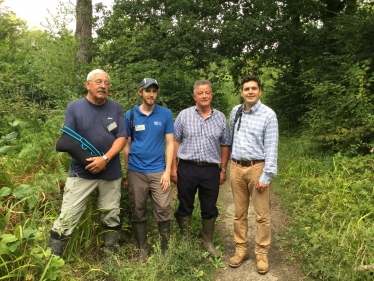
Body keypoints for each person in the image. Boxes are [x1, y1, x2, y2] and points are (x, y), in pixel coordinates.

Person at [47, 69, 127, 262]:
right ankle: (51, 261)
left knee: (111, 213)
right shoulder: (74, 107)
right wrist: (92, 163)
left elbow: (122, 137)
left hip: (111, 171)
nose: (103, 86)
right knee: (68, 215)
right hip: (81, 172)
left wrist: (105, 159)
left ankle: (110, 256)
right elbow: (68, 140)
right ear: (88, 84)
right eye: (99, 82)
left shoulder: (115, 108)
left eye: (107, 83)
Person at [171, 80, 231, 258]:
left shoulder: (220, 117)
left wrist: (223, 169)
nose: (204, 96)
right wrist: (173, 167)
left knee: (209, 205)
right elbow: (175, 141)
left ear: (212, 95)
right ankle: (186, 240)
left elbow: (225, 144)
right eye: (200, 93)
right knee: (185, 203)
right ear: (194, 96)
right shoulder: (184, 115)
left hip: (211, 170)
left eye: (207, 93)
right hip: (187, 168)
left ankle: (208, 242)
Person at [228, 75, 278, 274]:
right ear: (242, 92)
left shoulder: (268, 115)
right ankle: (241, 249)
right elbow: (232, 138)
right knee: (239, 213)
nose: (250, 91)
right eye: (246, 88)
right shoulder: (235, 111)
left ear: (260, 91)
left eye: (254, 88)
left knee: (261, 215)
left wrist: (266, 176)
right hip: (236, 167)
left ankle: (261, 252)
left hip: (258, 168)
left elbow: (272, 147)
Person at [123, 78, 174, 262]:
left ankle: (165, 249)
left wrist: (167, 171)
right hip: (136, 170)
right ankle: (143, 248)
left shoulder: (165, 114)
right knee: (138, 208)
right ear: (141, 92)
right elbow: (126, 145)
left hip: (158, 170)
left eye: (154, 91)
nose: (151, 94)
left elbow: (169, 144)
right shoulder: (130, 115)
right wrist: (127, 172)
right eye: (147, 90)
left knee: (163, 208)